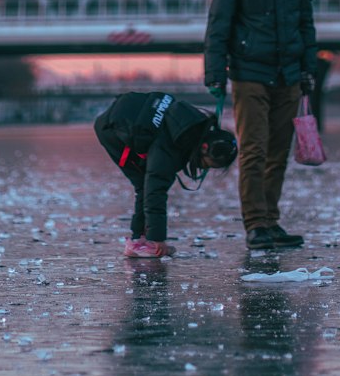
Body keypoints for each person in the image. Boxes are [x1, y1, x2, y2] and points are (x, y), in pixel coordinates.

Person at [204, 0, 317, 250]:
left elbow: (305, 24)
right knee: (253, 150)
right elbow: (219, 23)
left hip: (288, 75)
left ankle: (270, 221)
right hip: (249, 73)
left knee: (278, 152)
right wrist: (215, 73)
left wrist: (308, 70)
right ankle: (255, 224)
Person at [94, 89, 238, 257]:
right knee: (145, 185)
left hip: (128, 113)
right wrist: (158, 238)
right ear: (205, 148)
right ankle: (140, 242)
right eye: (209, 164)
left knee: (149, 183)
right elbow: (156, 190)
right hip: (111, 130)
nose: (205, 168)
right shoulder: (172, 150)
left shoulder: (194, 125)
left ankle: (142, 238)